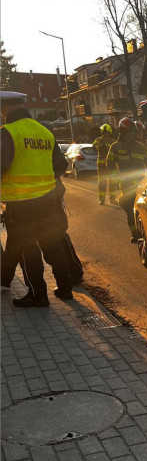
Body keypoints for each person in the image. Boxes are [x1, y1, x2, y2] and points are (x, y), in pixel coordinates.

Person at [1, 90, 74, 307]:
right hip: (47, 200)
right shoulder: (44, 132)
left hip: (20, 203)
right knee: (52, 243)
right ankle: (66, 288)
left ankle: (37, 294)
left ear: (6, 108)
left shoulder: (8, 132)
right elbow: (61, 165)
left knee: (27, 249)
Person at [106, 117, 147, 243]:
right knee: (129, 210)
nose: (133, 135)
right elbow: (110, 164)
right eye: (130, 132)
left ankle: (145, 233)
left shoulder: (141, 147)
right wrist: (116, 176)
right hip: (126, 186)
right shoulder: (115, 147)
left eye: (134, 132)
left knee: (143, 210)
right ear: (123, 132)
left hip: (142, 186)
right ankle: (135, 233)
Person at [93, 123, 117, 205]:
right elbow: (94, 147)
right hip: (102, 166)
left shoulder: (113, 141)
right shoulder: (98, 140)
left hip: (111, 165)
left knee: (112, 183)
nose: (105, 134)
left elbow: (116, 151)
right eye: (104, 132)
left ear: (109, 132)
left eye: (106, 132)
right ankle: (102, 200)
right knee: (102, 183)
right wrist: (99, 147)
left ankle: (113, 200)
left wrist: (107, 147)